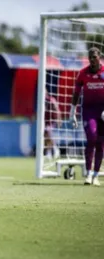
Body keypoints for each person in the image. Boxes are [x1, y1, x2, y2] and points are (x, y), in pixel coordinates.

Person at [70, 47, 104, 186]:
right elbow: (76, 94)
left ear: (99, 57)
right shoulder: (83, 74)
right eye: (90, 57)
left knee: (101, 144)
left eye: (94, 57)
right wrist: (72, 112)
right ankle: (88, 174)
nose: (92, 60)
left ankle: (96, 175)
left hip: (102, 112)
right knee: (91, 137)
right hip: (89, 111)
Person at [44, 91, 62, 160]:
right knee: (46, 136)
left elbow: (56, 109)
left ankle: (54, 150)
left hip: (51, 121)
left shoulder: (51, 100)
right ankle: (51, 151)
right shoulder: (41, 100)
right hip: (45, 122)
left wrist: (59, 119)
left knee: (47, 134)